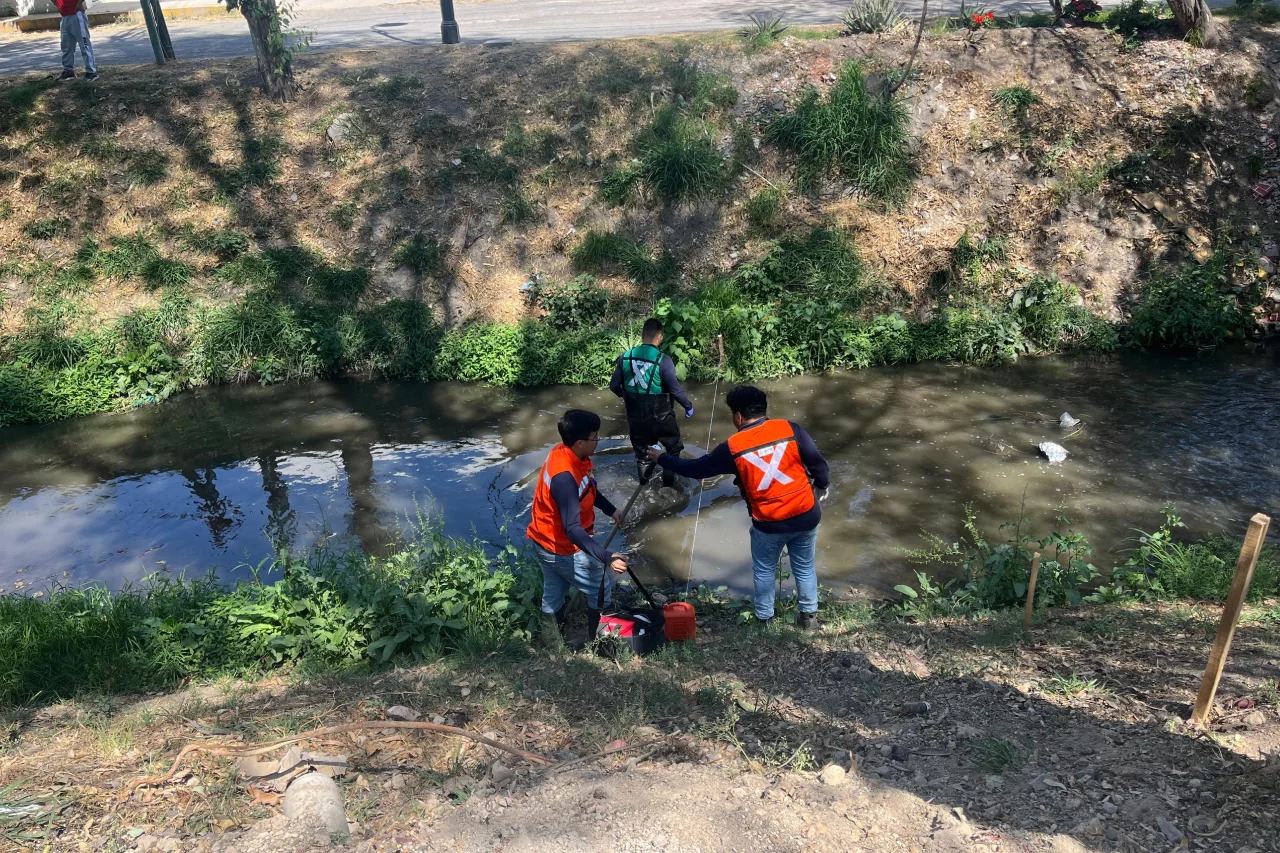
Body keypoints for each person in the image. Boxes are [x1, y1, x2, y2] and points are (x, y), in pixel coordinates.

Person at [646, 385, 829, 629]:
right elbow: (819, 466)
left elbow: (696, 469)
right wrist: (821, 487)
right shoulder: (790, 428)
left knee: (764, 571)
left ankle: (765, 621)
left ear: (739, 417)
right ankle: (809, 618)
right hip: (806, 514)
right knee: (805, 567)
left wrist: (662, 458)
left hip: (769, 523)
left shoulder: (732, 447)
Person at [526, 409, 628, 650]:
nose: (598, 440)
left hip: (544, 541)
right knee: (600, 587)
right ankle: (599, 644)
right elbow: (572, 528)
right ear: (581, 442)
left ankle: (552, 644)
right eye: (595, 437)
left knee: (553, 593)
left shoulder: (569, 454)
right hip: (560, 546)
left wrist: (611, 509)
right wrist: (607, 557)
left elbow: (588, 487)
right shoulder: (563, 476)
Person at [609, 318, 694, 487]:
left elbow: (613, 386)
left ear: (642, 335)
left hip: (636, 416)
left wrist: (627, 397)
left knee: (642, 454)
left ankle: (644, 487)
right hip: (661, 415)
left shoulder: (625, 357)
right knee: (672, 449)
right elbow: (675, 390)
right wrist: (688, 406)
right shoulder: (663, 360)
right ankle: (670, 486)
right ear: (660, 337)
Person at [57, 0, 98, 82]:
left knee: (84, 44)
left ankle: (91, 72)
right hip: (65, 16)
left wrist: (79, 3)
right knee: (66, 46)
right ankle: (68, 71)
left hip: (76, 14)